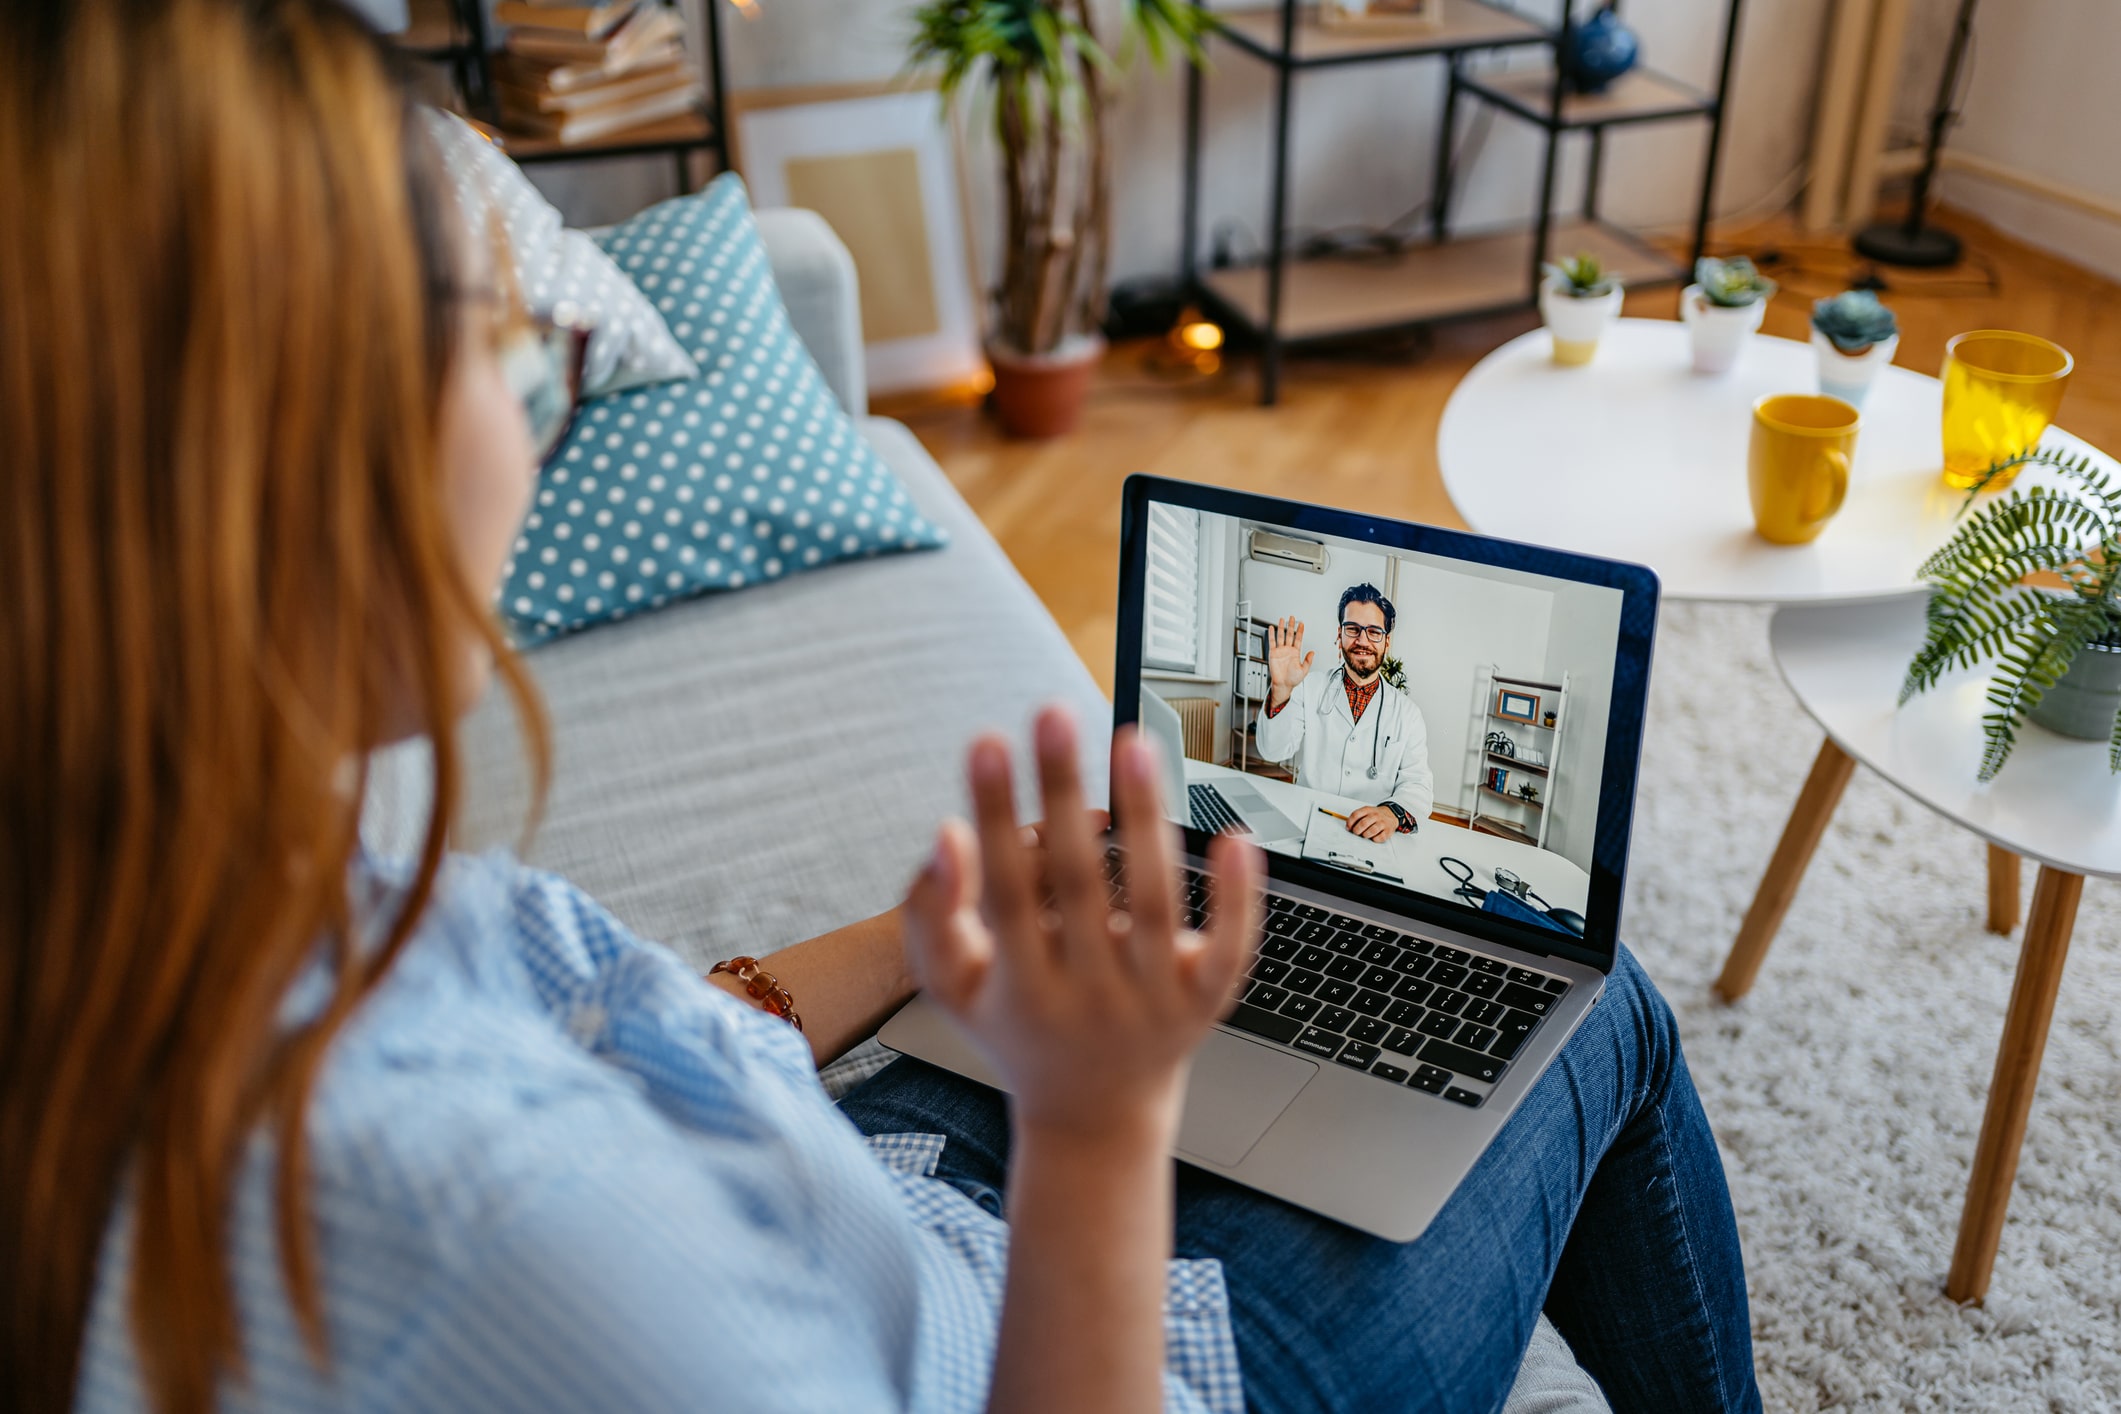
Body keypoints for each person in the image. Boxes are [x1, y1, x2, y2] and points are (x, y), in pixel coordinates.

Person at [0, 4, 1762, 1412]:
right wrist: (1094, 1115)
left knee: (1328, 986)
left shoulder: (196, 904)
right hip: (1092, 1337)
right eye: (503, 334)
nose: (544, 379)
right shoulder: (494, 1224)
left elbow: (617, 1020)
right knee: (1592, 1009)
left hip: (894, 1188)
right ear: (278, 468)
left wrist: (945, 926)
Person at [1254, 584, 1435, 840]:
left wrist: (1390, 814)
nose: (1362, 640)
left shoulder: (1408, 714)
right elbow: (1272, 751)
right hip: (1306, 821)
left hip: (1370, 835)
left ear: (1386, 641)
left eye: (1374, 632)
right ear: (1339, 635)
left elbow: (1418, 784)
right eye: (1353, 629)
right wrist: (1281, 690)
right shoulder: (1309, 687)